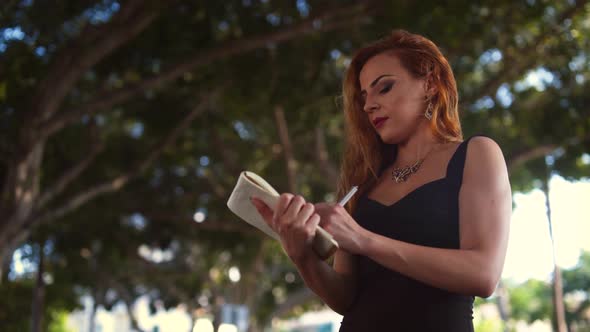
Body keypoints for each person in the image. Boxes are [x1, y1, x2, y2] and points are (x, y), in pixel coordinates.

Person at [251, 30, 511, 331]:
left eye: (383, 88)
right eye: (363, 97)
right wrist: (303, 257)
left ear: (429, 83)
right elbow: (345, 299)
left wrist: (363, 239)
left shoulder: (476, 154)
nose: (368, 105)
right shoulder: (364, 180)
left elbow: (483, 274)